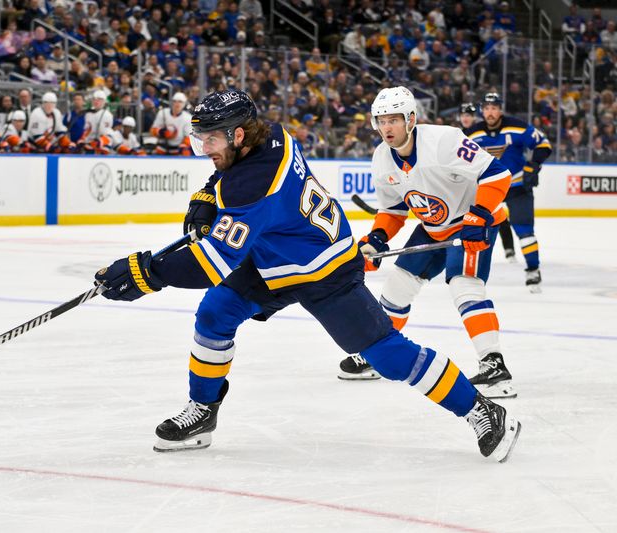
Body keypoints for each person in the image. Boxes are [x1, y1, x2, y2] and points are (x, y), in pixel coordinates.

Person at [93, 89, 521, 463]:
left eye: (211, 138)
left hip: (325, 269)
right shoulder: (271, 134)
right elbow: (227, 176)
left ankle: (481, 409)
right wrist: (208, 194)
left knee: (388, 355)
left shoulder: (252, 184)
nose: (204, 146)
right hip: (271, 260)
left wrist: (144, 272)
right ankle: (203, 410)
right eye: (200, 137)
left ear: (238, 135)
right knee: (214, 315)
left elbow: (210, 263)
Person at [338, 87, 517, 400]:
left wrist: (478, 216)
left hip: (470, 224)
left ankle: (494, 366)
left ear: (411, 119)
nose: (387, 127)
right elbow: (393, 210)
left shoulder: (444, 141)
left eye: (394, 119)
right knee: (395, 289)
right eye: (381, 120)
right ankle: (378, 355)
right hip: (432, 227)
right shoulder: (382, 158)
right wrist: (377, 238)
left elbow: (497, 175)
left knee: (465, 286)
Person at [464, 93, 552, 292]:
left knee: (524, 231)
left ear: (501, 110)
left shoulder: (517, 126)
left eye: (494, 108)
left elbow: (544, 145)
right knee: (474, 230)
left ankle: (533, 270)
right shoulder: (471, 134)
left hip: (517, 186)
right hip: (488, 189)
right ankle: (468, 272)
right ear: (482, 111)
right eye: (486, 108)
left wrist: (533, 165)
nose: (491, 112)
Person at [461, 103, 516, 263]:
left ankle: (509, 250)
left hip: (484, 182)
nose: (466, 118)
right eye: (463, 115)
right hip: (466, 184)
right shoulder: (456, 135)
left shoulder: (480, 134)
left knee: (498, 213)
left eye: (469, 115)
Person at [150, 91, 192, 155]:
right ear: (172, 102)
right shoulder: (162, 113)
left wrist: (183, 147)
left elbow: (188, 137)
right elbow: (152, 130)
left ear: (184, 104)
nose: (177, 104)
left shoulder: (188, 117)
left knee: (186, 153)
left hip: (178, 147)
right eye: (175, 101)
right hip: (162, 146)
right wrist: (161, 132)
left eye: (180, 102)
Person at [80, 89, 114, 154]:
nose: (96, 101)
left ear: (104, 101)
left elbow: (106, 133)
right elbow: (87, 130)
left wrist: (100, 141)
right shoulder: (88, 114)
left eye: (99, 99)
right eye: (94, 99)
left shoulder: (107, 114)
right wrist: (82, 140)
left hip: (104, 144)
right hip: (91, 143)